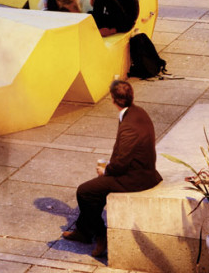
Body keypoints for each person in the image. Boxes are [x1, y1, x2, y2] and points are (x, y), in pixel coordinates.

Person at [61, 80, 161, 258]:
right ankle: (83, 230)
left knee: (84, 191)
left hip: (135, 179)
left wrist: (105, 171)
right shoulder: (138, 112)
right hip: (141, 171)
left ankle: (101, 234)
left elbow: (121, 164)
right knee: (97, 190)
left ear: (113, 100)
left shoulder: (129, 126)